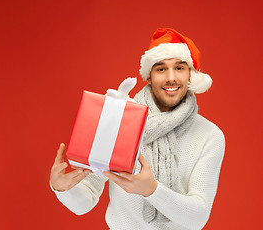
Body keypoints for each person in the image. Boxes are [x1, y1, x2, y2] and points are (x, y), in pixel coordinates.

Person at [50, 28, 225, 230]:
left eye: (179, 68)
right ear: (149, 77)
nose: (171, 78)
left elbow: (198, 217)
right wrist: (62, 188)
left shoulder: (210, 135)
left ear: (190, 76)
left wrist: (152, 190)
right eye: (161, 69)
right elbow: (86, 198)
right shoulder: (120, 119)